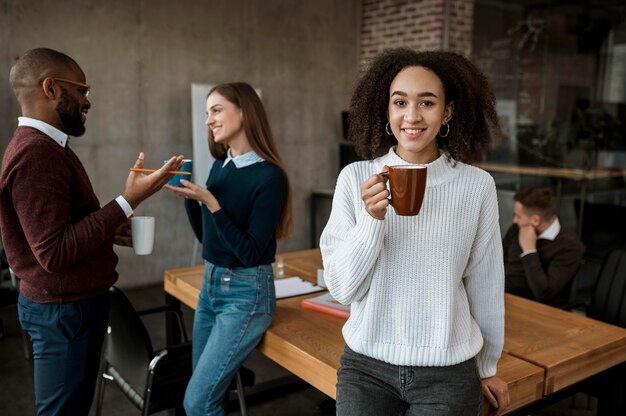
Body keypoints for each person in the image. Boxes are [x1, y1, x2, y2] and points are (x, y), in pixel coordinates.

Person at [320, 48, 510, 415]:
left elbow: (485, 283)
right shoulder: (355, 178)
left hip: (449, 374)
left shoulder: (476, 186)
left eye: (426, 102)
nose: (412, 116)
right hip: (366, 369)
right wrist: (372, 221)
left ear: (447, 112)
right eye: (400, 102)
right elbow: (343, 290)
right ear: (386, 111)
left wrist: (487, 367)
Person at [0, 47, 184, 415]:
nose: (88, 100)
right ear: (51, 88)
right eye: (82, 90)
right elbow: (52, 253)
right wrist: (127, 201)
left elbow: (54, 232)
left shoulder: (45, 147)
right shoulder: (38, 153)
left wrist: (107, 229)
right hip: (65, 313)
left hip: (63, 308)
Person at [165, 82, 292, 416]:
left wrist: (210, 200)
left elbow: (250, 251)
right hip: (210, 286)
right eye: (207, 112)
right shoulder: (220, 165)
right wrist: (191, 200)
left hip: (246, 295)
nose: (209, 120)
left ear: (244, 111)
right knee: (205, 395)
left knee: (197, 402)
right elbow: (209, 241)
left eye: (216, 110)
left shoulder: (269, 177)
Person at [503, 186, 584, 306]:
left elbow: (544, 294)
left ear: (535, 220)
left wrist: (529, 251)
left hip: (538, 310)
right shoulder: (516, 229)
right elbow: (496, 264)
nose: (515, 221)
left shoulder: (570, 247)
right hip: (503, 299)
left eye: (518, 216)